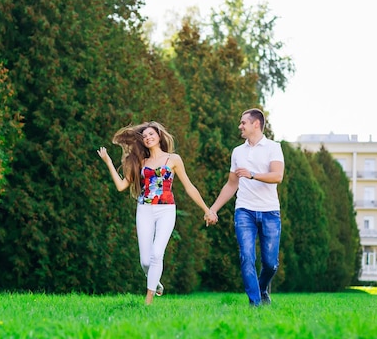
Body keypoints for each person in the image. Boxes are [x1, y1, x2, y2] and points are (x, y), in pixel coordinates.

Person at [97, 121, 217, 305]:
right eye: (144, 136)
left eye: (151, 134)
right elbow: (121, 186)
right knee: (145, 261)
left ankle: (148, 300)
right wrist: (108, 163)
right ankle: (156, 282)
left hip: (166, 209)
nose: (148, 138)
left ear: (159, 136)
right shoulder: (140, 162)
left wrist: (207, 210)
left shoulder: (173, 159)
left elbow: (189, 187)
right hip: (144, 209)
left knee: (157, 253)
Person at [207, 108, 285, 306]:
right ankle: (255, 303)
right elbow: (231, 184)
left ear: (256, 124)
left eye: (243, 123)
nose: (240, 126)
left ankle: (261, 288)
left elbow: (277, 176)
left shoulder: (273, 147)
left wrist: (252, 174)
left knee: (271, 264)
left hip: (269, 212)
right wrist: (213, 208)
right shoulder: (237, 152)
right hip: (244, 211)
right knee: (246, 257)